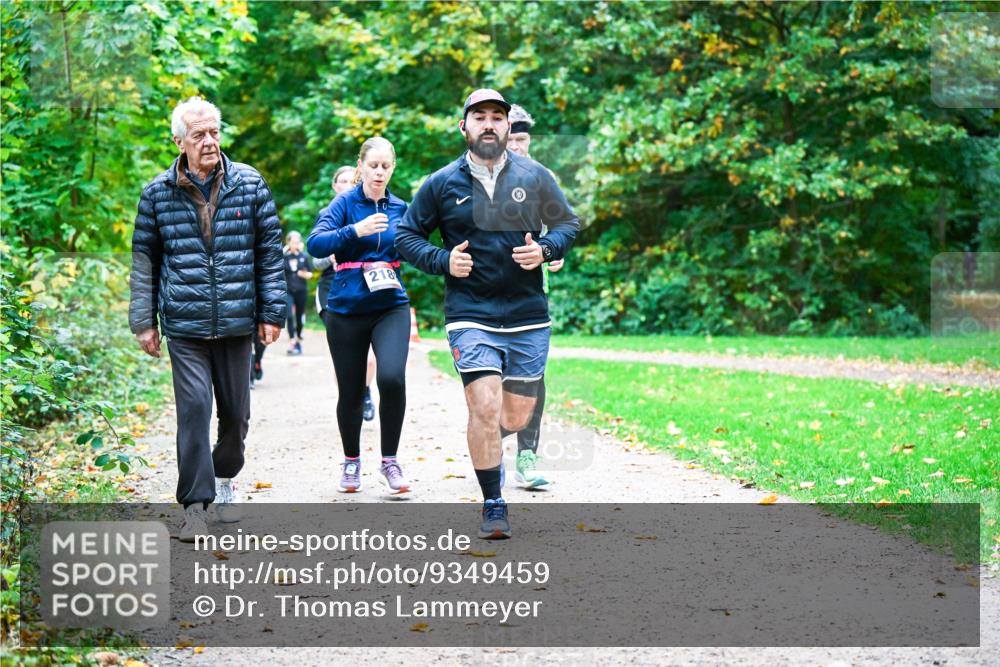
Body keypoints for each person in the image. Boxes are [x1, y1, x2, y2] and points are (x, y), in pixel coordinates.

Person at [396, 90, 579, 538]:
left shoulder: (534, 176)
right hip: (470, 312)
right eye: (480, 117)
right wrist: (443, 260)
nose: (489, 123)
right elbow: (406, 235)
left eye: (498, 116)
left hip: (527, 313)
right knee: (483, 406)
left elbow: (567, 224)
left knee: (513, 417)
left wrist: (545, 249)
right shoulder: (442, 183)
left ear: (507, 126)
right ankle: (493, 503)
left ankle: (491, 439)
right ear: (465, 127)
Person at [129, 97, 285, 542]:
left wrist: (272, 311)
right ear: (179, 141)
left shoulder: (249, 184)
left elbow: (269, 253)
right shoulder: (157, 193)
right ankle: (195, 506)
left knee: (236, 416)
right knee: (195, 410)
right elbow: (144, 261)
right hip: (185, 324)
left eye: (214, 132)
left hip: (237, 321)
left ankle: (225, 475)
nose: (210, 141)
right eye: (199, 135)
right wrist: (144, 320)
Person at [307, 137, 412, 495]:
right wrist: (355, 230)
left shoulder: (400, 207)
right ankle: (351, 461)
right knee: (351, 391)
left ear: (392, 168)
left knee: (392, 378)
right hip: (347, 307)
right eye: (373, 165)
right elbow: (315, 243)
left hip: (390, 304)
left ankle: (390, 461)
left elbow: (415, 246)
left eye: (386, 166)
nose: (379, 172)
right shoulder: (344, 203)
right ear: (361, 167)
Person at [505, 103, 565, 489]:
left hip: (531, 292)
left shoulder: (544, 177)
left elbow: (560, 227)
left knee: (533, 377)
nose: (517, 146)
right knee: (494, 380)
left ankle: (527, 454)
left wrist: (554, 251)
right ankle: (489, 437)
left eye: (523, 139)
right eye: (511, 139)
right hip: (484, 296)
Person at [313, 166, 377, 421]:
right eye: (343, 181)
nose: (348, 185)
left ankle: (365, 392)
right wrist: (330, 255)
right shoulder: (326, 214)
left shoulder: (370, 211)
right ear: (334, 186)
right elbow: (314, 259)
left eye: (353, 181)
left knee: (369, 357)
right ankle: (350, 400)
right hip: (332, 289)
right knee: (346, 353)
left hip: (365, 287)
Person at [283, 231, 313, 355]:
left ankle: (299, 335)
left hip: (301, 290)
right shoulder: (284, 256)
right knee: (289, 316)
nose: (295, 244)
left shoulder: (304, 256)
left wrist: (304, 274)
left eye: (297, 242)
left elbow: (310, 273)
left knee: (299, 317)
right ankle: (292, 340)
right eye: (293, 242)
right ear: (288, 242)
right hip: (288, 291)